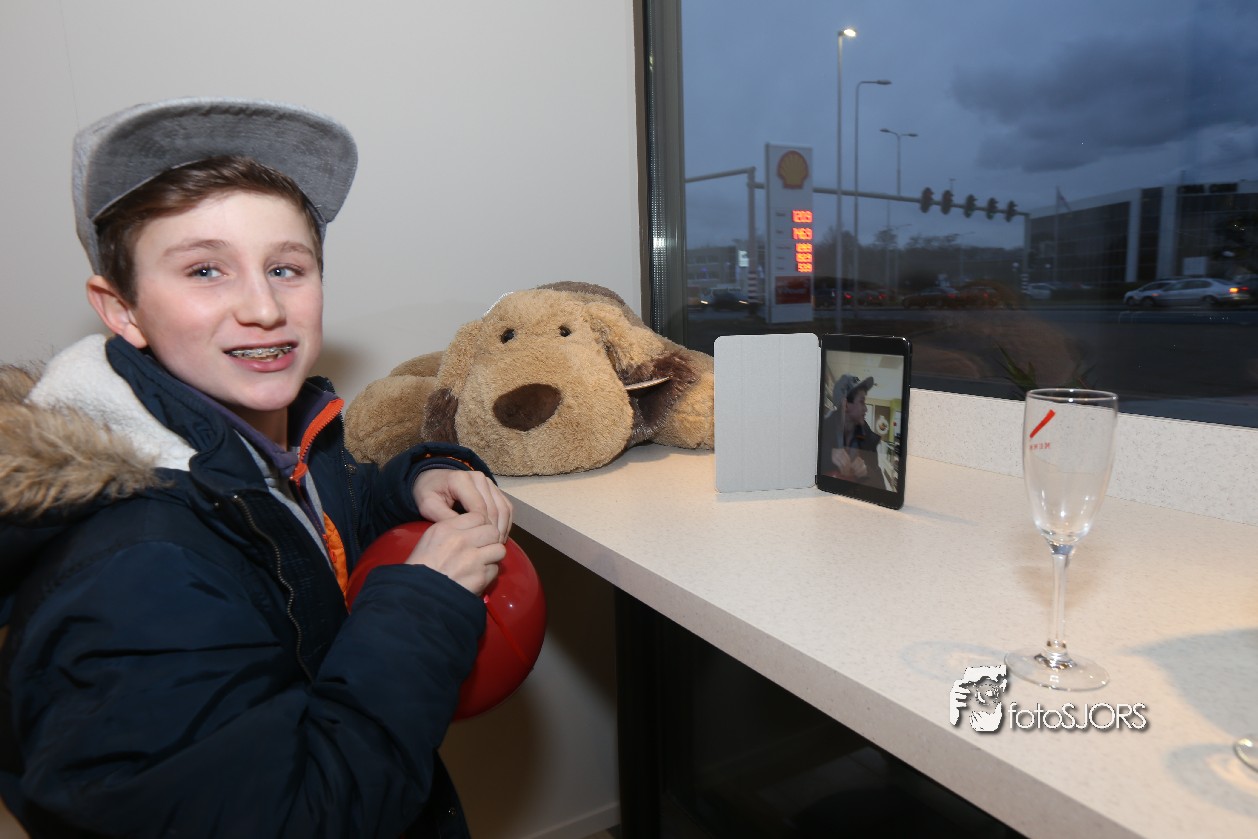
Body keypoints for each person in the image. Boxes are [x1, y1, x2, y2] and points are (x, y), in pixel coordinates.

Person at [0, 98, 513, 838]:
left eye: (285, 267)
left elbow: (304, 534)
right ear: (121, 309)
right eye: (205, 269)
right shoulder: (132, 572)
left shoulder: (255, 441)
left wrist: (411, 482)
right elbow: (297, 817)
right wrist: (424, 605)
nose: (264, 307)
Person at [819, 373, 883, 487]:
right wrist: (827, 454)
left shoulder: (867, 436)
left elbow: (880, 484)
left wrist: (867, 471)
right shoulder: (822, 428)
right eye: (862, 402)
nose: (866, 409)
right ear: (846, 405)